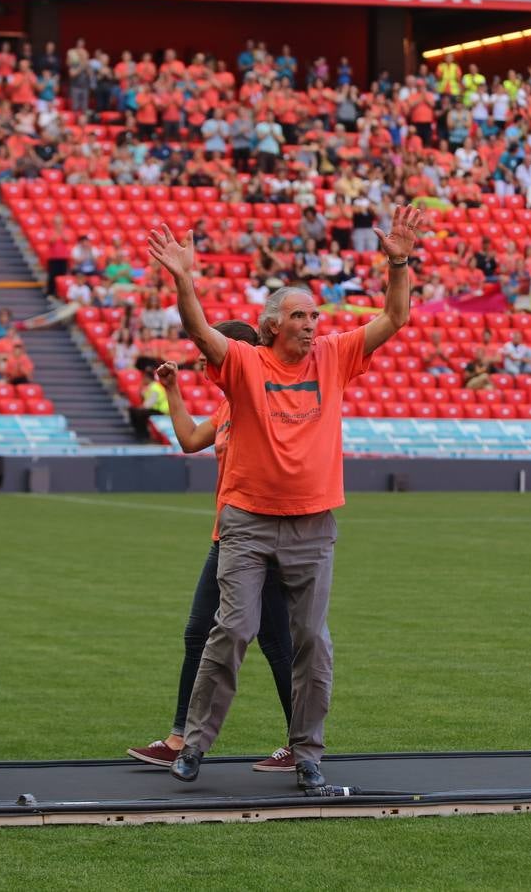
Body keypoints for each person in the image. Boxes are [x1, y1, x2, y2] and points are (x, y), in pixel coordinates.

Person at [147, 204, 423, 791]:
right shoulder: (245, 362)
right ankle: (194, 743)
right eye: (299, 315)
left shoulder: (335, 354)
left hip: (313, 525)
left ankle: (307, 752)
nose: (312, 323)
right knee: (232, 629)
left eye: (315, 314)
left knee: (312, 645)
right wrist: (183, 279)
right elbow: (199, 332)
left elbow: (395, 316)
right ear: (272, 324)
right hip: (247, 523)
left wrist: (398, 261)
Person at [126, 323, 296, 773]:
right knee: (203, 634)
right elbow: (188, 441)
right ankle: (181, 737)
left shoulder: (261, 402)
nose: (201, 356)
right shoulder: (229, 406)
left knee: (276, 643)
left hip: (257, 538)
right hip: (228, 537)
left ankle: (301, 743)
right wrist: (172, 389)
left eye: (207, 349)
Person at [129, 365, 168, 439]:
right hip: (154, 409)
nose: (142, 380)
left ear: (147, 378)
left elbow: (149, 404)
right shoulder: (150, 387)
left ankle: (143, 434)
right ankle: (141, 432)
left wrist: (141, 408)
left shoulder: (154, 387)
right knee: (135, 411)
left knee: (138, 413)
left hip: (160, 411)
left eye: (144, 378)